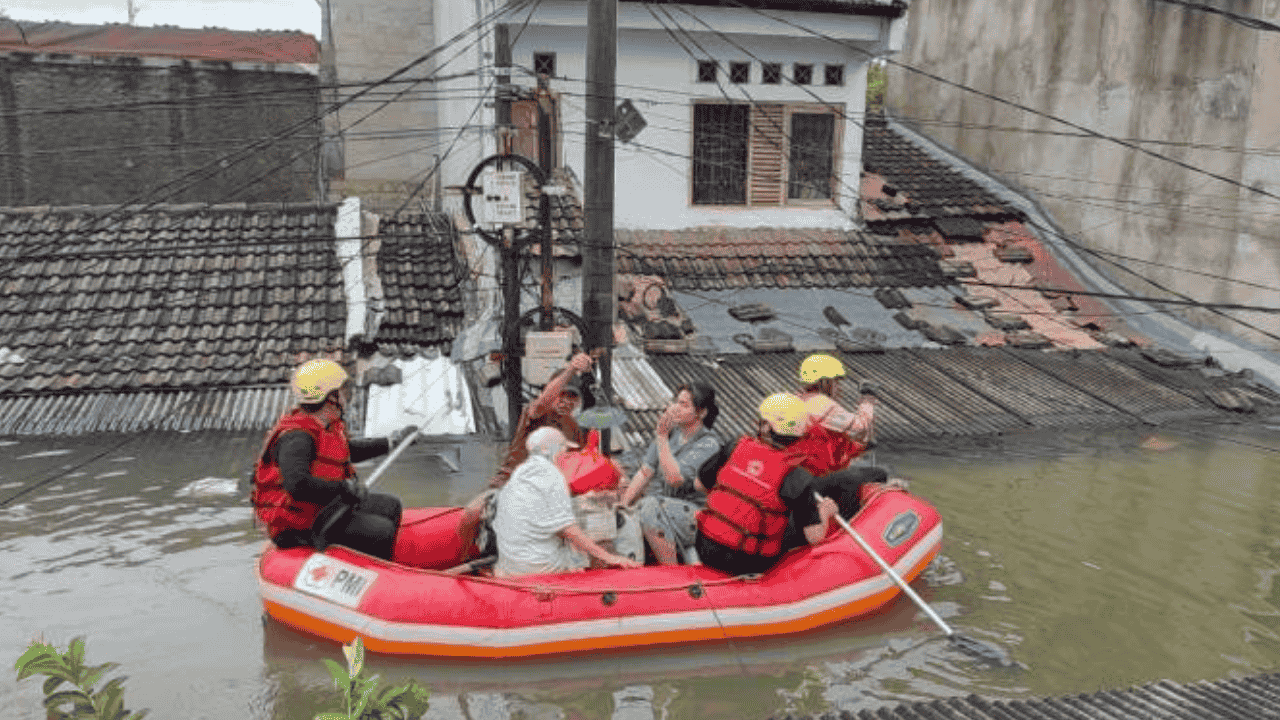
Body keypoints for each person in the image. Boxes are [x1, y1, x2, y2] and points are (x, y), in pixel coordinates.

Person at [251, 358, 418, 560]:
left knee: (390, 506)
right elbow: (297, 485)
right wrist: (343, 488)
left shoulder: (324, 427)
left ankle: (380, 561)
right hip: (299, 527)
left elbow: (347, 452)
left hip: (323, 509)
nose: (347, 395)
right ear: (331, 397)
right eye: (343, 390)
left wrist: (393, 441)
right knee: (381, 530)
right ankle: (371, 574)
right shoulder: (297, 437)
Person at [693, 393, 842, 577]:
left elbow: (699, 484)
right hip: (749, 561)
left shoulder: (735, 446)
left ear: (767, 426)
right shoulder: (798, 477)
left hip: (705, 546)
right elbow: (815, 537)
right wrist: (826, 512)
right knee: (793, 522)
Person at [492, 427, 642, 577]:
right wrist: (610, 558)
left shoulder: (520, 473)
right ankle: (604, 573)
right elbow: (568, 529)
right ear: (550, 450)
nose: (566, 454)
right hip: (542, 567)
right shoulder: (552, 475)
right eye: (563, 448)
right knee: (592, 511)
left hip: (511, 566)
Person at [618, 382, 722, 565]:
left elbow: (674, 479)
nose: (675, 408)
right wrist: (622, 506)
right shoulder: (670, 435)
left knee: (649, 505)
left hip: (693, 516)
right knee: (626, 510)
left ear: (702, 412)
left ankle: (671, 571)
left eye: (684, 405)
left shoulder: (708, 444)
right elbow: (644, 472)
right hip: (660, 510)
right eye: (676, 402)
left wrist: (661, 438)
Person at [788, 353, 896, 519]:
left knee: (850, 471)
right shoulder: (821, 404)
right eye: (836, 381)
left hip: (797, 473)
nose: (839, 387)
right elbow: (861, 427)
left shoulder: (795, 399)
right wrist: (867, 401)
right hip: (813, 478)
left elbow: (821, 441)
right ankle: (850, 519)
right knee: (878, 474)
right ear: (826, 381)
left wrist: (858, 447)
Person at [489, 351, 594, 489]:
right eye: (562, 395)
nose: (566, 401)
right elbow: (544, 401)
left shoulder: (573, 427)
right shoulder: (536, 411)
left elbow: (579, 463)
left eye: (572, 397)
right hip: (513, 481)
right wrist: (571, 369)